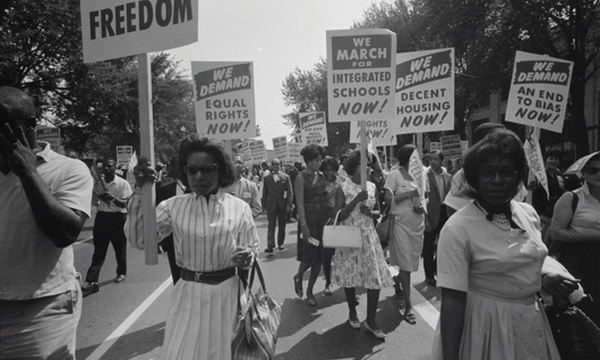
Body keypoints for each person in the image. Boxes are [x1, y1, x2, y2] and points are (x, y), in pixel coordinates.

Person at [431, 129, 578, 360]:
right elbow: (453, 301)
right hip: (486, 328)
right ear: (474, 178)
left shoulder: (528, 213)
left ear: (519, 176)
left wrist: (542, 280)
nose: (497, 180)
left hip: (532, 323)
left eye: (506, 172)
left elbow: (519, 263)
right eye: (488, 173)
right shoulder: (457, 228)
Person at [126, 134, 259, 360]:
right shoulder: (172, 206)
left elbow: (252, 248)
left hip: (227, 295)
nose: (199, 176)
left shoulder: (239, 208)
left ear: (221, 170)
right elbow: (139, 240)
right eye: (191, 170)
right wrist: (140, 191)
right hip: (188, 293)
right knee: (181, 353)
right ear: (184, 172)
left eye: (207, 169)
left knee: (224, 354)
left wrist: (247, 255)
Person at [0, 86, 93, 359]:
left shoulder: (68, 169)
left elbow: (64, 233)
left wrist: (28, 172)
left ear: (28, 126)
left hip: (41, 310)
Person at [331, 150, 393, 339]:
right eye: (362, 163)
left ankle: (371, 320)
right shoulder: (344, 187)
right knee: (351, 277)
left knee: (374, 278)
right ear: (353, 166)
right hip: (350, 237)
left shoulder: (372, 186)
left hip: (369, 236)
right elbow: (338, 216)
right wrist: (356, 200)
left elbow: (379, 214)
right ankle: (352, 311)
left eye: (368, 163)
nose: (366, 166)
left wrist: (370, 213)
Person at [550, 151, 600, 326]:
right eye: (594, 170)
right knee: (583, 314)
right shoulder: (571, 198)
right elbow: (556, 231)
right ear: (584, 173)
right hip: (580, 262)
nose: (599, 174)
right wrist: (593, 236)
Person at [384, 144, 425, 325]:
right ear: (409, 158)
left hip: (417, 225)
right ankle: (409, 307)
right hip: (399, 225)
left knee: (409, 264)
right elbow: (387, 199)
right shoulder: (394, 175)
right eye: (417, 155)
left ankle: (397, 279)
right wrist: (409, 194)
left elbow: (425, 198)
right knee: (406, 266)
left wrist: (421, 207)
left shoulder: (422, 176)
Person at [83, 158, 132, 294]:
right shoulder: (98, 184)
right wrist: (99, 199)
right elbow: (94, 202)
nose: (107, 169)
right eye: (104, 167)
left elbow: (125, 204)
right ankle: (92, 281)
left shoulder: (123, 183)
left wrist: (111, 198)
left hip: (118, 218)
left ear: (115, 167)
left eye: (110, 166)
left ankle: (121, 272)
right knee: (99, 251)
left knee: (119, 248)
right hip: (102, 218)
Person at [293, 144, 328, 307]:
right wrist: (304, 225)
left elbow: (326, 195)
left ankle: (310, 291)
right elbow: (299, 204)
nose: (319, 163)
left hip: (322, 221)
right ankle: (299, 275)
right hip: (309, 220)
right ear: (308, 161)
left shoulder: (321, 176)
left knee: (319, 258)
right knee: (308, 257)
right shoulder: (300, 178)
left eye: (320, 160)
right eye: (316, 160)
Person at [155, 155, 187, 285]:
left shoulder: (200, 189)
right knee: (178, 281)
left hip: (197, 241)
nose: (173, 169)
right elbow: (157, 219)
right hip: (173, 243)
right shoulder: (164, 189)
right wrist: (158, 241)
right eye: (172, 166)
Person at [423, 150, 452, 287]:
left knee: (443, 245)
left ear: (442, 160)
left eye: (436, 159)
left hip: (445, 213)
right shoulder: (424, 175)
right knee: (428, 246)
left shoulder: (447, 176)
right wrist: (425, 219)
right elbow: (422, 198)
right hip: (431, 214)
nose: (433, 162)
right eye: (431, 159)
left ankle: (437, 269)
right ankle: (429, 275)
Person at [320, 156, 345, 295]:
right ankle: (328, 282)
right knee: (327, 253)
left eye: (331, 169)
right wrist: (333, 192)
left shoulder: (342, 181)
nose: (329, 172)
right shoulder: (321, 183)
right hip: (327, 219)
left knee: (343, 252)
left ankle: (345, 283)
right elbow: (322, 199)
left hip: (342, 217)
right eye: (326, 170)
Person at [262, 158, 293, 253]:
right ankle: (270, 245)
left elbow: (290, 192)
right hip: (271, 205)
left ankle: (280, 243)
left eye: (277, 164)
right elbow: (264, 193)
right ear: (271, 165)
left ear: (280, 165)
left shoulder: (285, 177)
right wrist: (263, 206)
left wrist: (289, 204)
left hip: (282, 205)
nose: (275, 166)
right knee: (271, 225)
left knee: (282, 225)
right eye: (274, 164)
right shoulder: (267, 178)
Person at [223, 154, 262, 218]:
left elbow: (257, 208)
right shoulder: (223, 186)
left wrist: (244, 218)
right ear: (230, 165)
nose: (239, 165)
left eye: (241, 163)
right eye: (236, 163)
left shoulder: (251, 186)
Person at [531, 151, 565, 217]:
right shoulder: (539, 175)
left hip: (555, 210)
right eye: (551, 158)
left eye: (556, 159)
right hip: (541, 211)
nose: (553, 161)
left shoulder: (559, 175)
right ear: (545, 160)